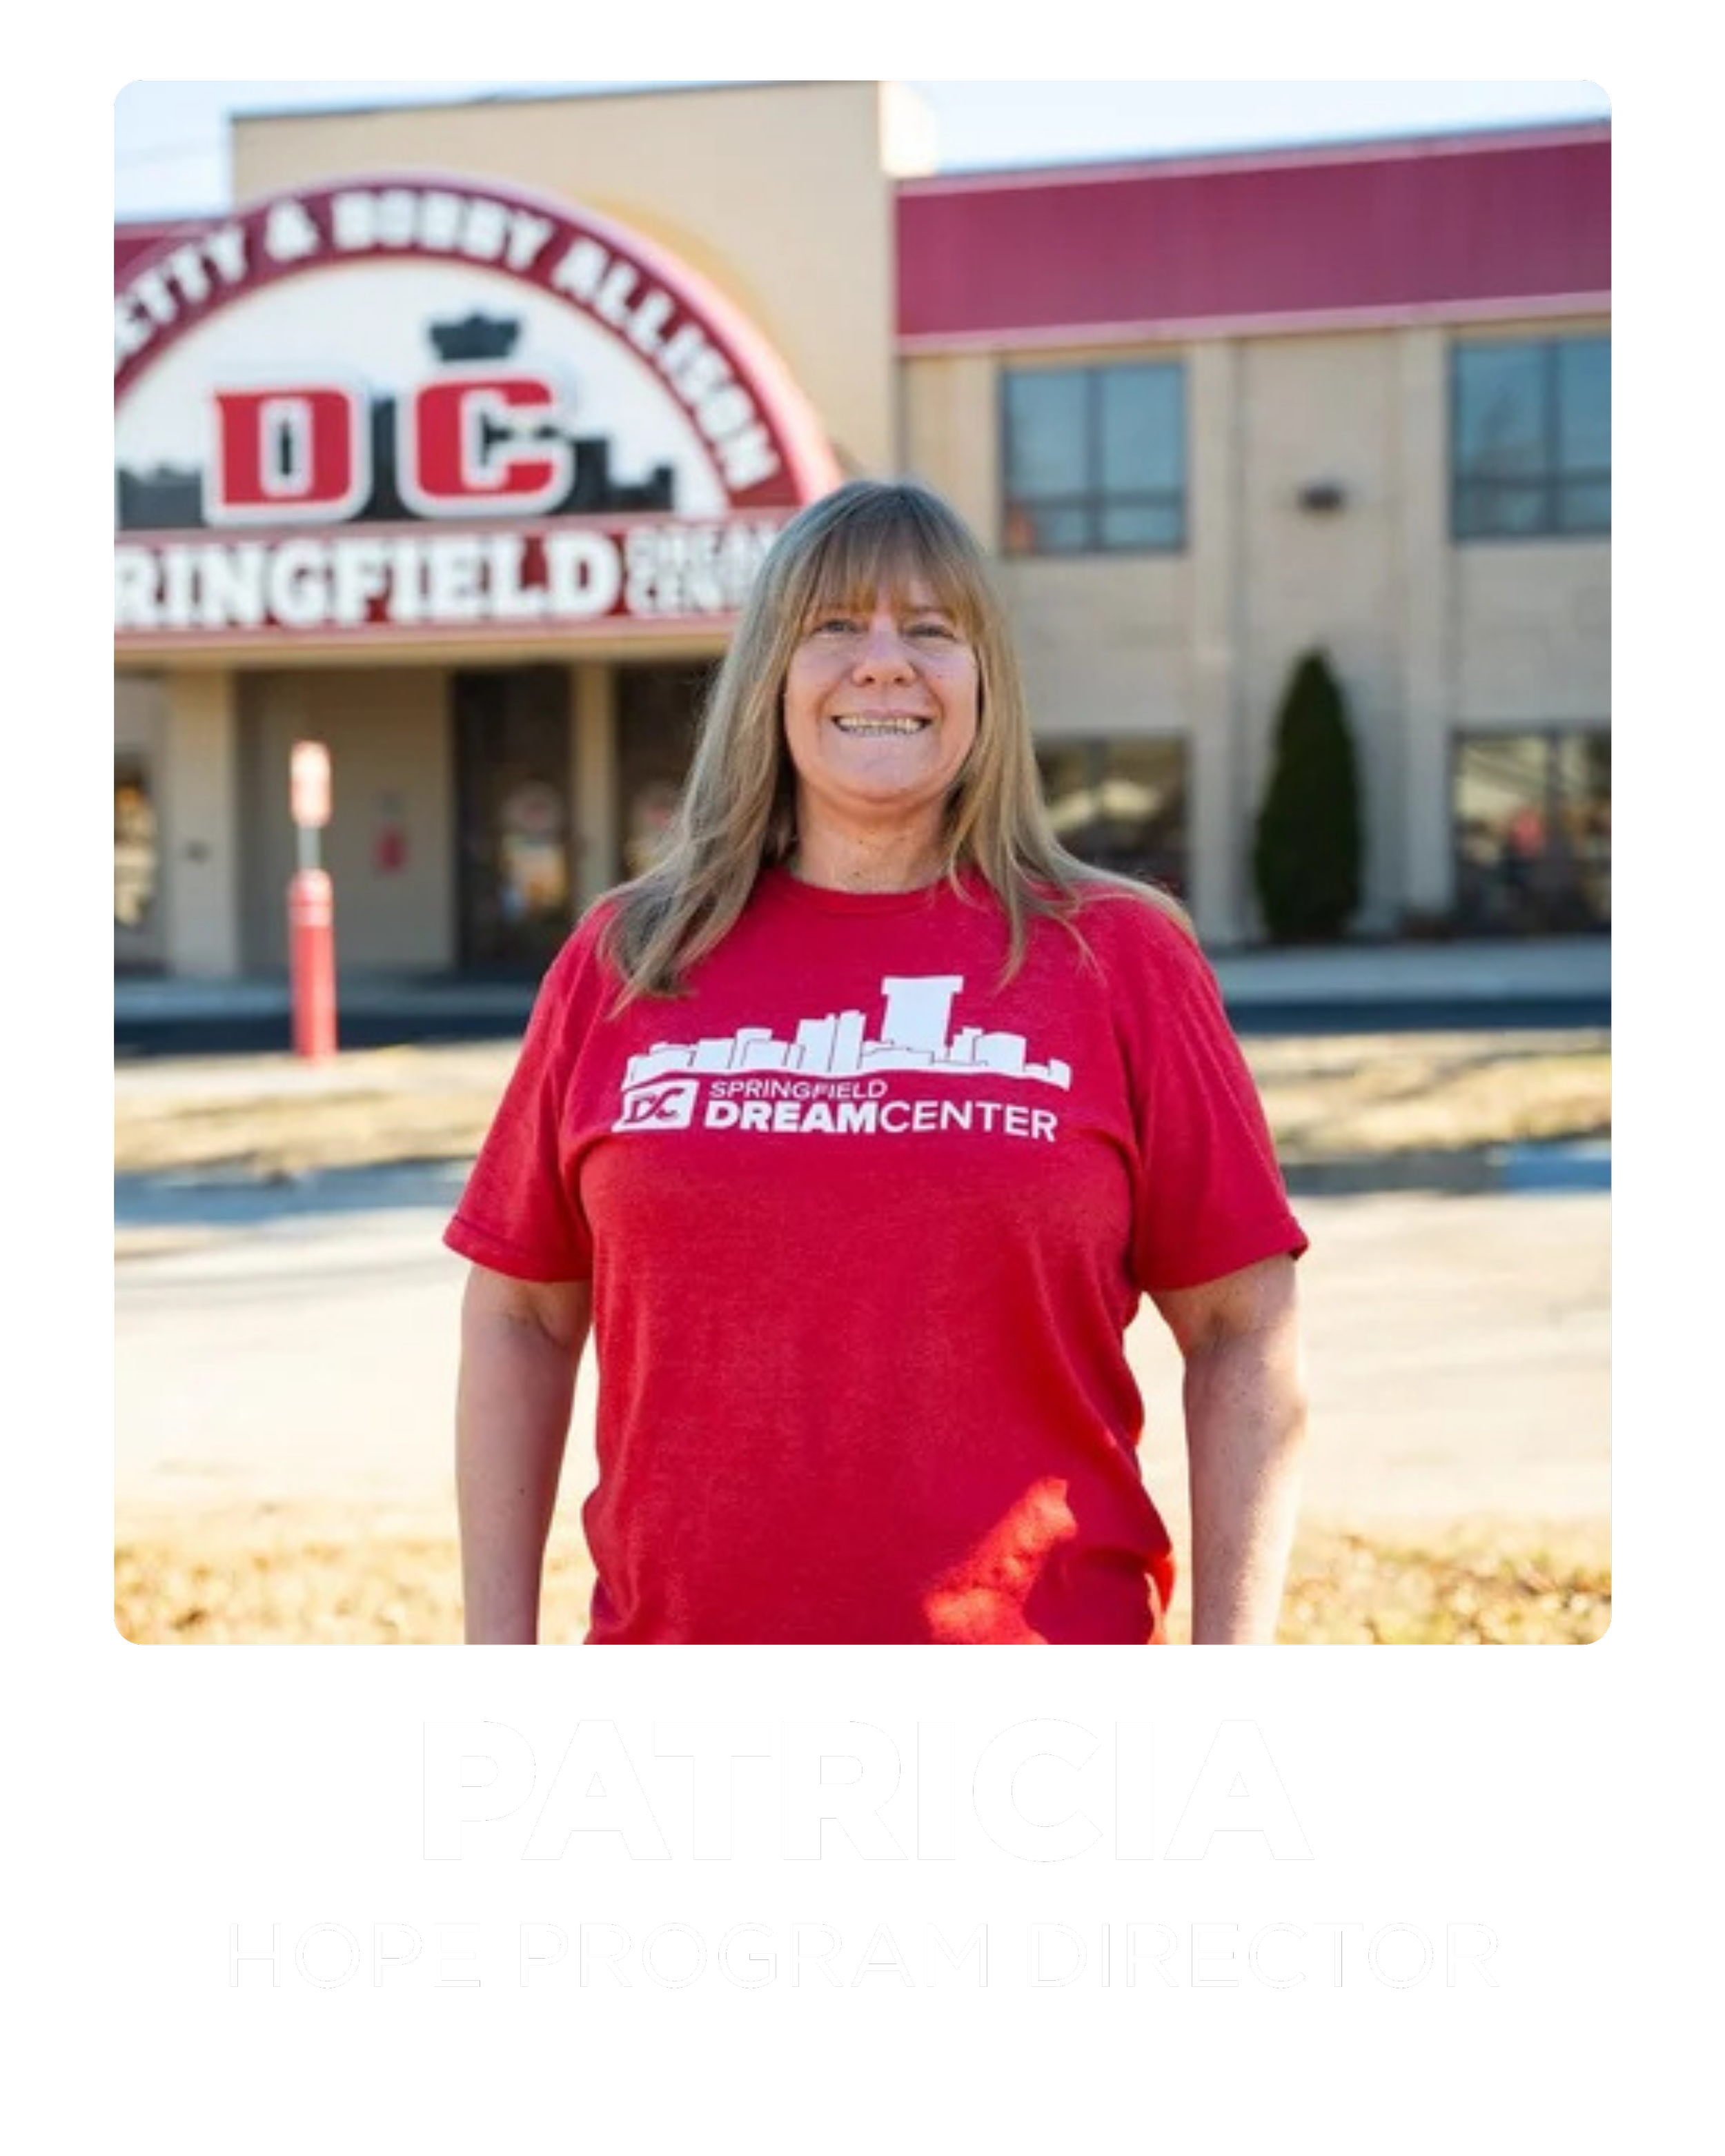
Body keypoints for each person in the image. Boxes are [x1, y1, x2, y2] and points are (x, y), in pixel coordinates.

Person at [444, 477, 1310, 1646]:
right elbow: (521, 1318)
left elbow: (1243, 1328)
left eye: (933, 632)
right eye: (836, 626)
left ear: (985, 684)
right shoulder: (629, 957)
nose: (885, 663)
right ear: (769, 678)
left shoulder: (1114, 957)